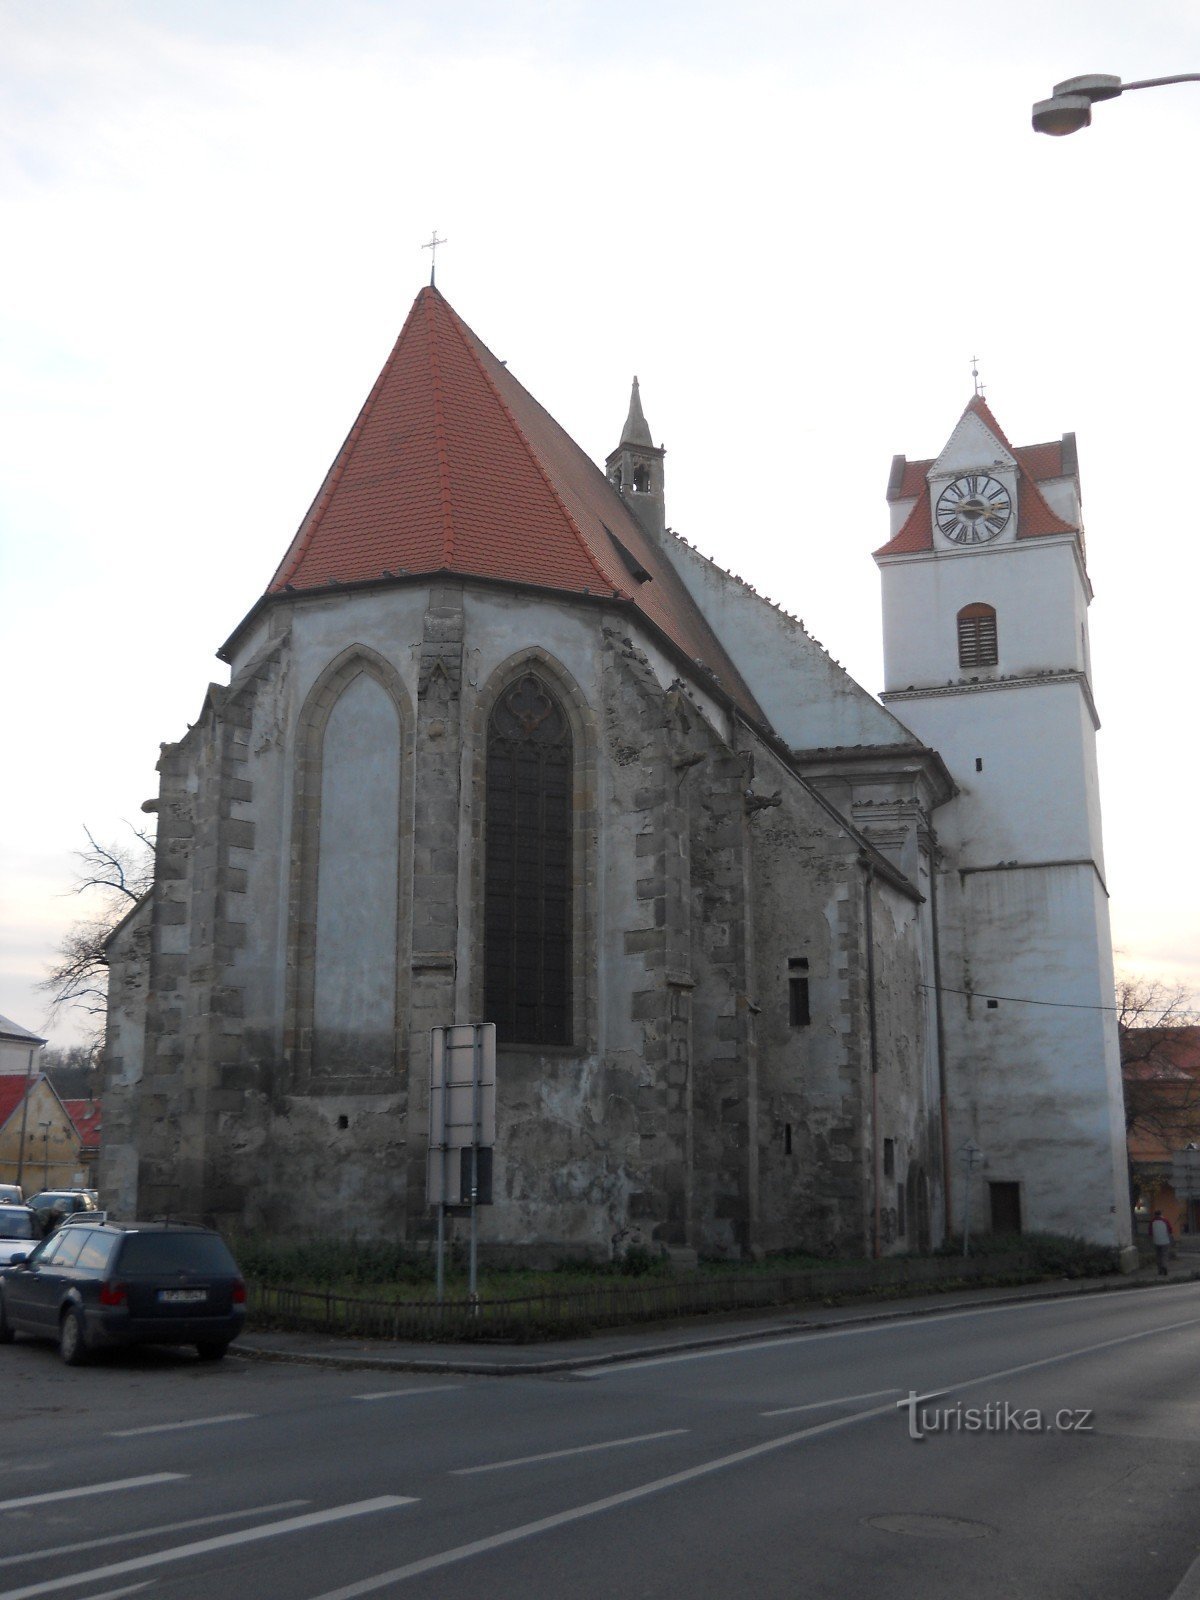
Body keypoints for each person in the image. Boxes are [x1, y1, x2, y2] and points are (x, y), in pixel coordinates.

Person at [1150, 1210, 1174, 1277]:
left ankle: (1160, 1270)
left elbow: (1150, 1232)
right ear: (1161, 1214)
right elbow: (1170, 1229)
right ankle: (1164, 1266)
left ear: (1155, 1215)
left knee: (1158, 1256)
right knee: (1164, 1255)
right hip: (1165, 1241)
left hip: (1156, 1241)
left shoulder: (1152, 1222)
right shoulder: (1165, 1220)